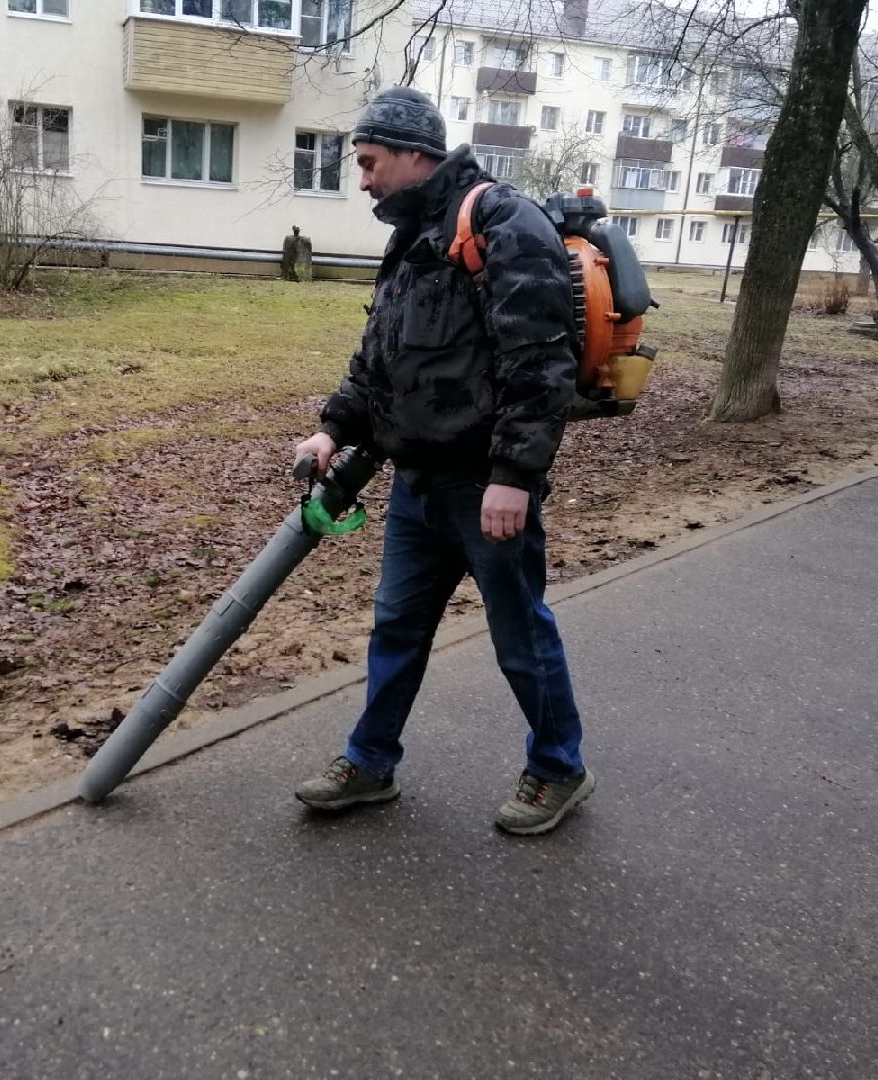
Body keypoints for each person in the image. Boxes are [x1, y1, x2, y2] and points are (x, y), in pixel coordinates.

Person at [293, 87, 594, 837]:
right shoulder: (412, 235)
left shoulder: (501, 221)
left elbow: (541, 363)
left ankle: (559, 768)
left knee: (519, 637)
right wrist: (333, 428)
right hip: (417, 484)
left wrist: (514, 477)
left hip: (485, 488)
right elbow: (380, 355)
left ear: (412, 153)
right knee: (396, 628)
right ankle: (370, 762)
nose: (362, 178)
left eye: (369, 162)